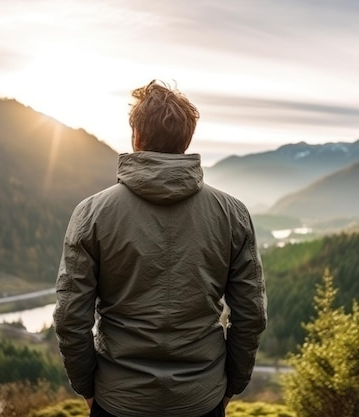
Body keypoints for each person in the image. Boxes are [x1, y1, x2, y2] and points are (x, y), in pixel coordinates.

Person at [53, 80, 267, 417]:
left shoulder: (92, 213)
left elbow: (70, 318)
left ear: (136, 136)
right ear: (187, 139)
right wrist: (231, 386)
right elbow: (251, 315)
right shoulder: (232, 214)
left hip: (118, 400)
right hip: (202, 398)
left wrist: (88, 388)